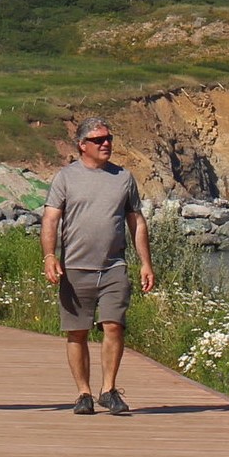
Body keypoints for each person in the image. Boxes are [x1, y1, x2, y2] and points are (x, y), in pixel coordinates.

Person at [41, 116, 155, 416]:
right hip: (75, 267)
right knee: (77, 332)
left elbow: (136, 220)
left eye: (109, 138)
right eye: (98, 140)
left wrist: (145, 263)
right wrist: (50, 256)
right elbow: (51, 218)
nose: (106, 144)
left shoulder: (124, 178)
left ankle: (108, 389)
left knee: (114, 326)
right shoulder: (65, 178)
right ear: (82, 145)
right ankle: (83, 392)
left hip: (114, 266)